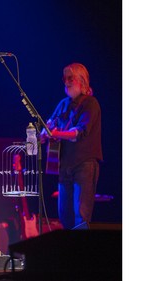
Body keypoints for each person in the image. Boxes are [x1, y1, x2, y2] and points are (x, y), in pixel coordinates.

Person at [40, 63, 102, 230]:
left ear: (81, 80)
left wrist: (55, 134)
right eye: (64, 78)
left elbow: (79, 133)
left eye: (70, 78)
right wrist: (43, 135)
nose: (66, 82)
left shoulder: (90, 103)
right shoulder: (63, 104)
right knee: (64, 216)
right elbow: (49, 124)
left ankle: (81, 255)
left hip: (84, 164)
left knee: (80, 216)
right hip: (64, 166)